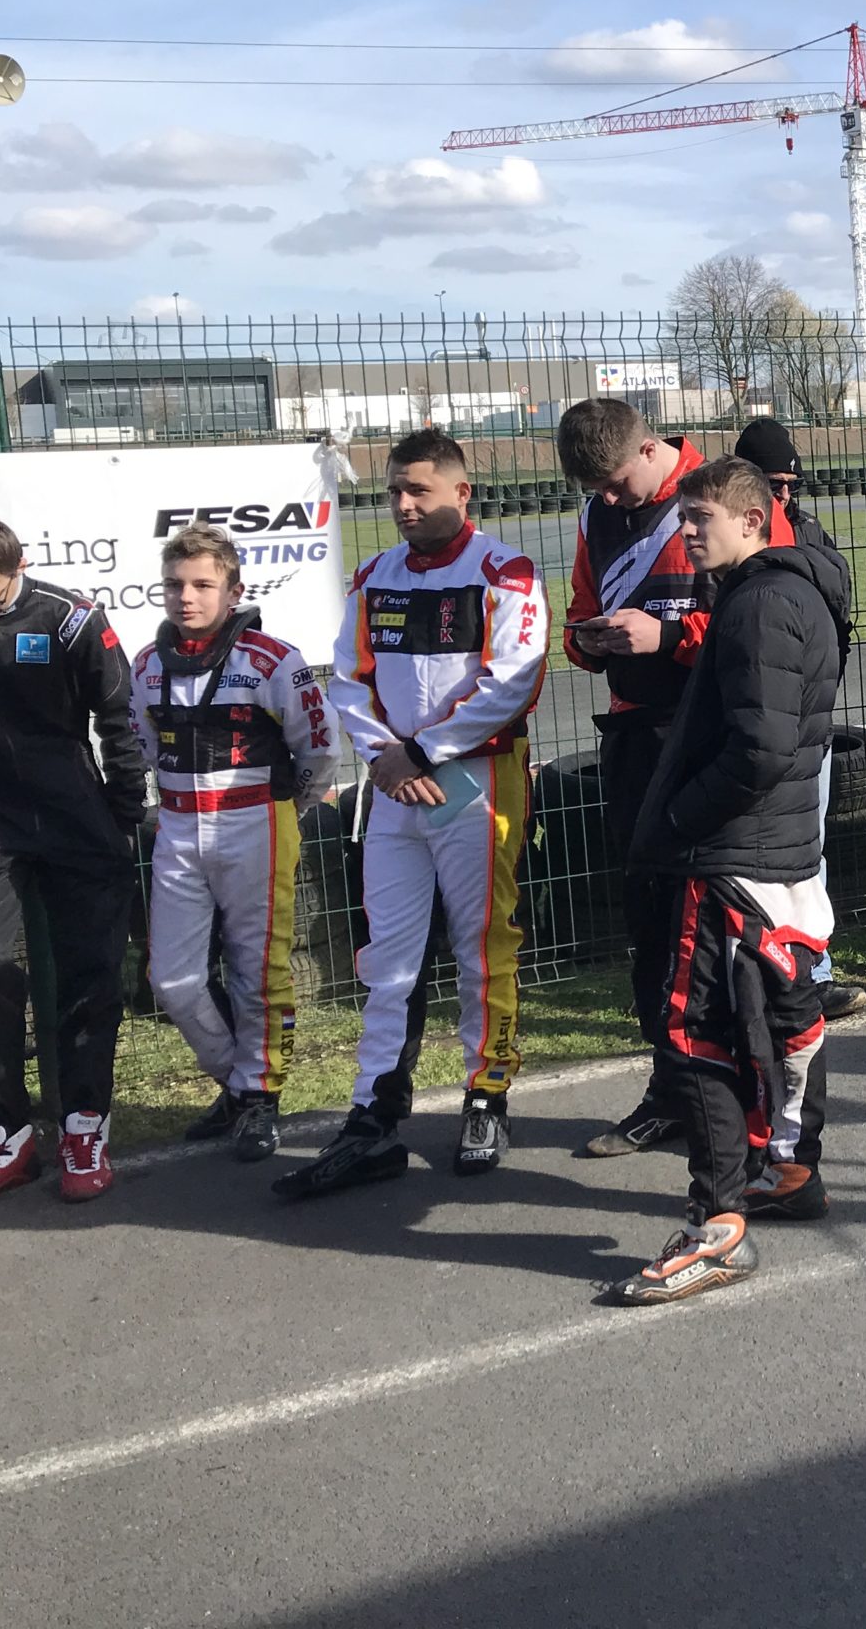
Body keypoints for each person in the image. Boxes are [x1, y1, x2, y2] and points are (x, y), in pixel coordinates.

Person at [277, 429, 547, 1198]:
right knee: (387, 957)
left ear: (461, 493)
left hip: (477, 784)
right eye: (395, 489)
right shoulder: (375, 575)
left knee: (481, 947)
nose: (402, 503)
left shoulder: (506, 572)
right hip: (395, 790)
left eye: (418, 490)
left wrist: (421, 752)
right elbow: (347, 680)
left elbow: (513, 683)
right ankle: (373, 1117)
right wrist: (386, 758)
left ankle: (487, 1097)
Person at [606, 458, 844, 1306]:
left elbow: (761, 749)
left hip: (734, 856)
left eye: (700, 517)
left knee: (695, 1030)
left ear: (751, 519)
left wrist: (678, 819)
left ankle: (718, 1222)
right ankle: (789, 1171)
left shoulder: (761, 602)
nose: (686, 531)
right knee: (781, 1017)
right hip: (773, 850)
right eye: (684, 516)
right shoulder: (780, 591)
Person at [0, 514, 147, 1212]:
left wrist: (121, 812)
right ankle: (6, 1137)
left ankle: (85, 1127)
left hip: (71, 817)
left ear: (19, 566)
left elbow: (119, 719)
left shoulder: (70, 620)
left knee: (91, 970)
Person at [128, 524, 340, 1163]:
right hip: (176, 828)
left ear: (234, 590)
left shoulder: (272, 660)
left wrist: (291, 806)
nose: (185, 597)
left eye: (202, 584)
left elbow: (320, 748)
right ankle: (239, 1083)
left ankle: (260, 1097)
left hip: (257, 824)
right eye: (174, 585)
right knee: (171, 979)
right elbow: (142, 747)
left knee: (258, 969)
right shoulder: (146, 664)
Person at [734, 417, 859, 1019]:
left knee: (809, 849)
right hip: (747, 721)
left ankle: (814, 973)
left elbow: (838, 623)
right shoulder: (722, 536)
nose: (783, 495)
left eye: (790, 485)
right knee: (747, 859)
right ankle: (750, 979)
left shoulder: (810, 535)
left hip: (808, 718)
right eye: (772, 484)